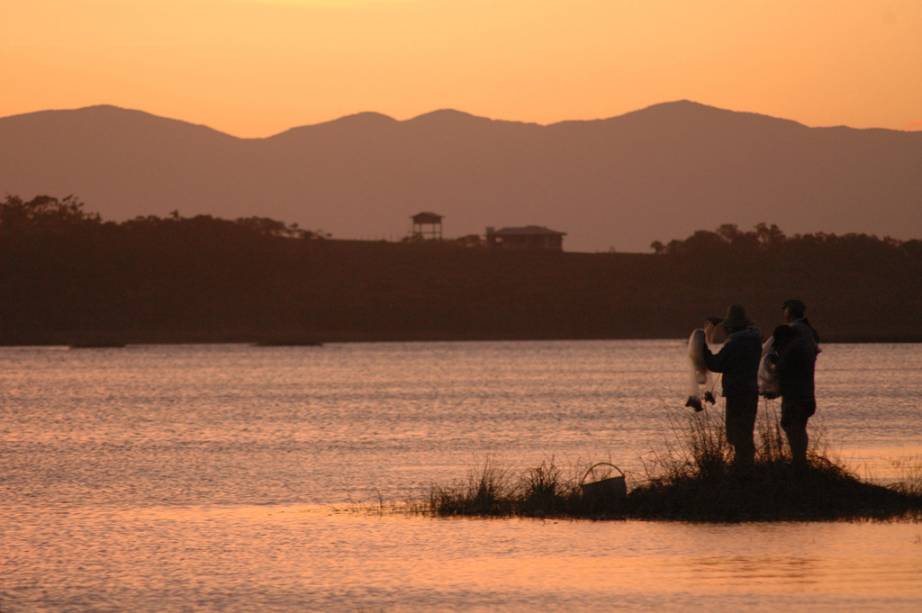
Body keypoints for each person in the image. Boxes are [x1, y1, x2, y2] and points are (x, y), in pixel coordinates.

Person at [703, 304, 762, 469]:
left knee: (737, 434)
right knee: (745, 432)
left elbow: (716, 364)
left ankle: (743, 468)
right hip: (750, 392)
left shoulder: (736, 344)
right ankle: (746, 465)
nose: (724, 330)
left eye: (727, 327)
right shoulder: (754, 340)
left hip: (737, 393)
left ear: (732, 327)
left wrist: (702, 349)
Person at [776, 298, 820, 468]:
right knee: (799, 426)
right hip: (807, 390)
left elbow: (785, 361)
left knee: (792, 425)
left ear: (790, 312)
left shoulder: (794, 332)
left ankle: (799, 463)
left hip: (794, 391)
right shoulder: (809, 332)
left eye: (785, 310)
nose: (784, 313)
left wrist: (775, 368)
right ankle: (800, 462)